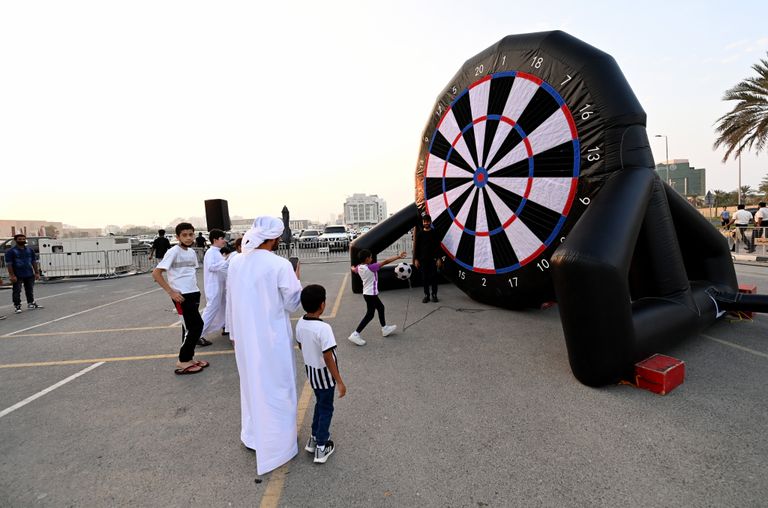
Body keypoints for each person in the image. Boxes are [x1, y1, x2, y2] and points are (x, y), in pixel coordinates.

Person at [226, 216, 302, 475]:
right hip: (272, 337)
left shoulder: (236, 261)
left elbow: (230, 300)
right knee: (278, 385)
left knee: (251, 385)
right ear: (275, 238)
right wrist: (297, 279)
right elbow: (292, 303)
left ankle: (253, 436)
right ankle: (279, 444)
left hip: (245, 337)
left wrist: (233, 331)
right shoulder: (280, 264)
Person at [295, 284, 346, 464]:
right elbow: (328, 357)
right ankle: (322, 446)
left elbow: (301, 345)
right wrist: (339, 381)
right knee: (326, 409)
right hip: (325, 376)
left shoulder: (300, 323)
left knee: (320, 403)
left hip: (312, 373)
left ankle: (314, 437)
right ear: (322, 305)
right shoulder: (324, 329)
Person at [152, 223, 208, 375]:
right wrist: (171, 292)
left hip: (193, 293)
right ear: (177, 237)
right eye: (184, 235)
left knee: (188, 327)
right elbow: (156, 273)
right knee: (196, 326)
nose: (188, 238)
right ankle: (183, 360)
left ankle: (189, 358)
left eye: (191, 234)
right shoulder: (173, 252)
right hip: (182, 296)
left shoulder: (191, 252)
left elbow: (188, 273)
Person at [348, 249, 406, 346]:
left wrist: (352, 267)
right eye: (370, 257)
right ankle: (355, 334)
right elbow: (386, 261)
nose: (372, 259)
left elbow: (354, 269)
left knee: (381, 308)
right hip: (371, 294)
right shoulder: (371, 267)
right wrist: (398, 257)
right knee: (370, 314)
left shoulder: (359, 267)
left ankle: (384, 328)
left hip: (367, 294)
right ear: (367, 259)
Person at [199, 229, 229, 346]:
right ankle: (198, 334)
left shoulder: (217, 252)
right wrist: (227, 261)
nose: (224, 241)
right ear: (215, 240)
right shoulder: (211, 252)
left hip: (220, 285)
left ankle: (226, 326)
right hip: (214, 286)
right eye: (222, 239)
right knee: (211, 309)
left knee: (224, 306)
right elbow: (211, 267)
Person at [4, 234, 41, 314]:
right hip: (17, 274)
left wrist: (36, 272)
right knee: (17, 290)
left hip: (29, 273)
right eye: (20, 239)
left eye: (23, 239)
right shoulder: (11, 251)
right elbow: (9, 264)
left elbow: (33, 261)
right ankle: (17, 306)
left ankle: (31, 303)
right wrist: (12, 275)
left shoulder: (30, 250)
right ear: (15, 240)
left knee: (29, 289)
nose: (22, 240)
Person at [413, 213, 443, 303]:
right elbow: (416, 247)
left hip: (433, 259)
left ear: (430, 222)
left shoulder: (435, 233)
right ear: (423, 222)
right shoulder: (419, 234)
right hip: (423, 260)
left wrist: (439, 258)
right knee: (424, 278)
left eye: (428, 221)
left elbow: (438, 247)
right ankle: (426, 295)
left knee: (434, 278)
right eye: (424, 222)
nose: (426, 223)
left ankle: (434, 295)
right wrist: (416, 259)